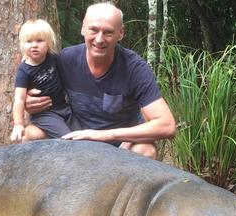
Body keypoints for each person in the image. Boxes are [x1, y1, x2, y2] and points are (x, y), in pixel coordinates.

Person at [24, 2, 176, 158]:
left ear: (121, 33)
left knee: (145, 151)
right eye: (94, 30)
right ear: (83, 28)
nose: (99, 39)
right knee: (32, 134)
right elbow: (40, 87)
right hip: (77, 136)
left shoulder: (134, 68)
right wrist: (29, 101)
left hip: (121, 144)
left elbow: (167, 125)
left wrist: (106, 135)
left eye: (108, 32)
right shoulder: (66, 59)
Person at [10, 19, 72, 143]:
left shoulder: (54, 59)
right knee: (68, 138)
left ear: (48, 43)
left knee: (81, 132)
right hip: (44, 115)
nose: (34, 45)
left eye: (39, 41)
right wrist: (18, 124)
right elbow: (19, 99)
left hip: (64, 108)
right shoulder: (24, 70)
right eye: (29, 41)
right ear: (23, 44)